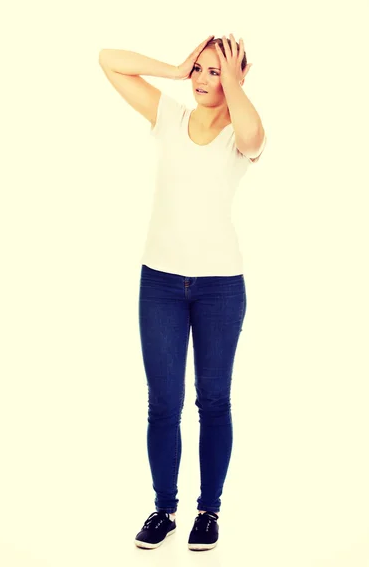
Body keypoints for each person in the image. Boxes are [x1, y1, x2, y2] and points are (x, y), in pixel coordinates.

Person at [99, 34, 267, 551]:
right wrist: (174, 68)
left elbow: (256, 136)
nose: (201, 79)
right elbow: (109, 61)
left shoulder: (238, 135)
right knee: (162, 405)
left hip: (220, 286)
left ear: (237, 79)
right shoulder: (169, 117)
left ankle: (208, 512)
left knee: (213, 402)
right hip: (161, 284)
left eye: (214, 72)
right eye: (200, 68)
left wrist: (234, 82)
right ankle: (163, 510)